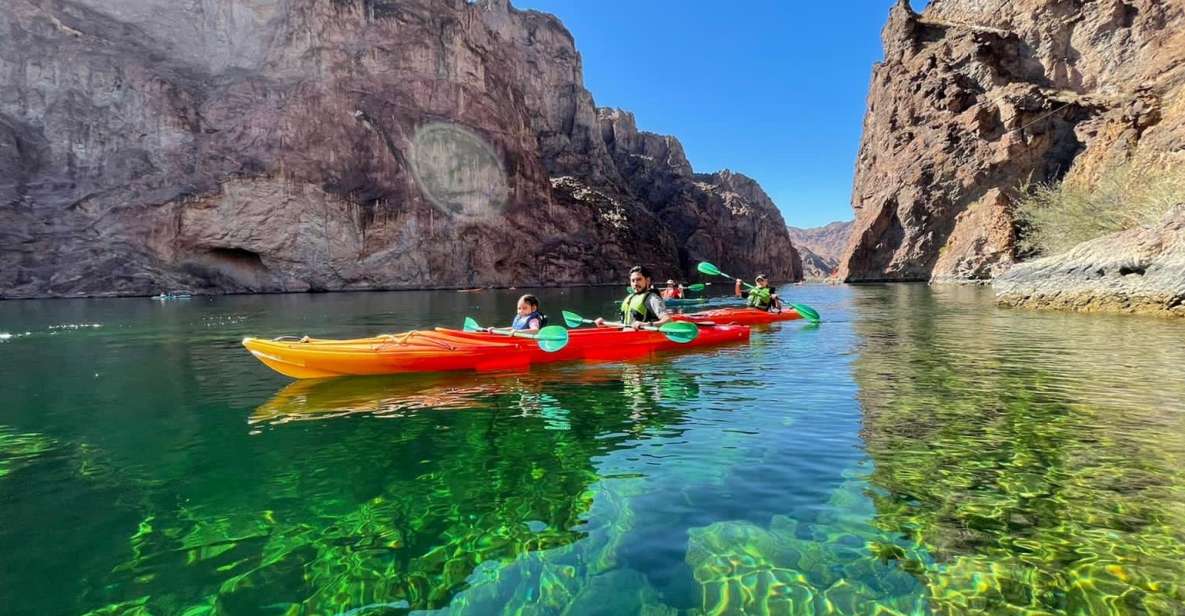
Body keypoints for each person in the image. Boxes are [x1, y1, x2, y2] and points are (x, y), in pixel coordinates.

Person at [596, 265, 671, 330]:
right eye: (633, 280)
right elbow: (625, 323)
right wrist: (606, 323)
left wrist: (647, 324)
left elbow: (668, 321)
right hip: (627, 335)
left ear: (647, 280)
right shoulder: (630, 298)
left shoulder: (652, 299)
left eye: (639, 279)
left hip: (643, 337)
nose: (635, 283)